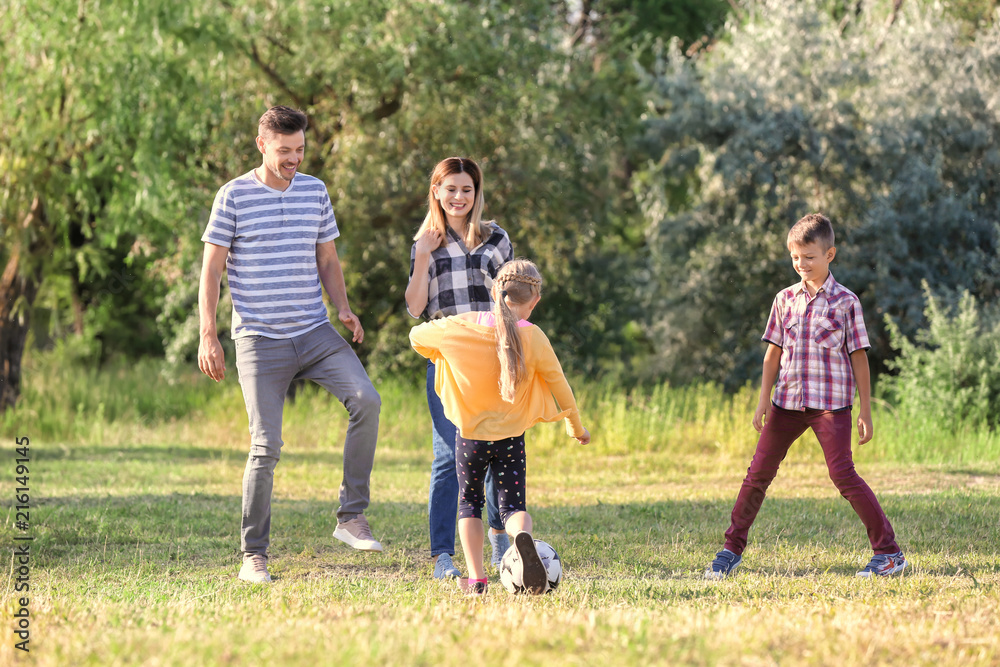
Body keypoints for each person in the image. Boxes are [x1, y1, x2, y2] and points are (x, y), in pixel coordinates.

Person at [198, 105, 383, 584]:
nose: (293, 159)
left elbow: (328, 259)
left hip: (314, 330)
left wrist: (342, 307)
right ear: (262, 145)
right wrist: (208, 334)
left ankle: (351, 517)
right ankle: (252, 555)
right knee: (266, 446)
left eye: (299, 150)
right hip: (259, 338)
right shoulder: (233, 196)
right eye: (284, 151)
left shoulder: (314, 191)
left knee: (366, 399)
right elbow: (212, 271)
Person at [705, 213, 906, 580]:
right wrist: (763, 399)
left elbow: (859, 357)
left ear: (830, 254)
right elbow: (772, 354)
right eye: (795, 258)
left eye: (809, 257)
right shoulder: (784, 300)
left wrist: (866, 409)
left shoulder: (846, 302)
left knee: (843, 474)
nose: (801, 265)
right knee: (757, 475)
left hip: (831, 405)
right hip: (787, 404)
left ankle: (889, 553)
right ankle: (730, 549)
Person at [410, 259, 591, 595]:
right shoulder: (534, 337)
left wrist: (441, 354)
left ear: (494, 291)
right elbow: (560, 385)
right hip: (510, 438)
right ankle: (521, 537)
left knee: (470, 505)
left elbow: (416, 336)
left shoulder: (459, 327)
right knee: (513, 508)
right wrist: (575, 427)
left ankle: (477, 579)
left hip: (470, 439)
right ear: (534, 301)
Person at [404, 157, 514, 580]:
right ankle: (442, 556)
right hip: (448, 364)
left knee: (495, 448)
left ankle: (501, 541)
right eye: (450, 189)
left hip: (493, 358)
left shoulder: (496, 238)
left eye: (466, 189)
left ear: (476, 193)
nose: (458, 197)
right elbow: (415, 308)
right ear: (436, 191)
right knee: (450, 453)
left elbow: (512, 299)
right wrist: (421, 257)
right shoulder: (424, 243)